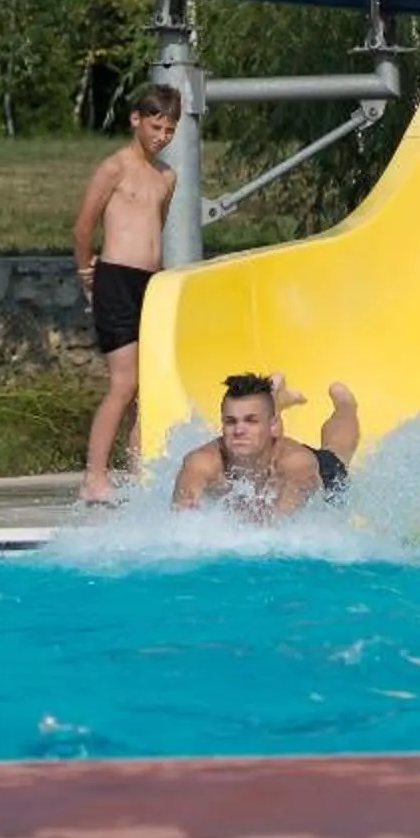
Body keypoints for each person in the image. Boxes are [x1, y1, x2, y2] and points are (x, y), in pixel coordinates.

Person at [74, 80, 181, 505]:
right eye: (156, 127)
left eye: (170, 130)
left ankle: (140, 474)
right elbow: (83, 225)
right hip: (115, 278)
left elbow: (158, 230)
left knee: (148, 386)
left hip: (150, 284)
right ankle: (94, 477)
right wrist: (86, 270)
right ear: (136, 120)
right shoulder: (114, 167)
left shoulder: (167, 177)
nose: (162, 137)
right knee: (123, 383)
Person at [171, 370, 360, 515]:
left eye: (250, 421)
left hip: (314, 470)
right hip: (269, 448)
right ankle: (275, 396)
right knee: (258, 432)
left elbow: (281, 523)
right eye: (230, 421)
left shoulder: (298, 463)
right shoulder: (203, 461)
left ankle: (346, 405)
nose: (238, 430)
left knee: (337, 450)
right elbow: (182, 512)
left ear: (273, 423)